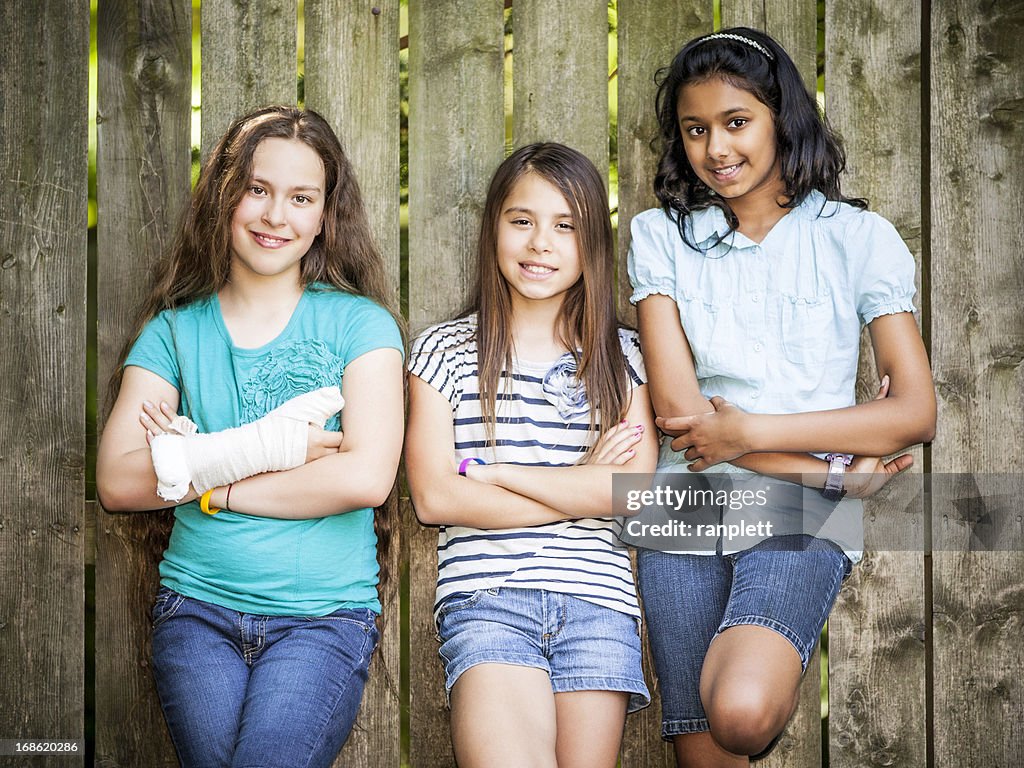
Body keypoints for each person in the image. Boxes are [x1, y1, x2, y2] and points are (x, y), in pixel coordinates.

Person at [626, 28, 936, 767]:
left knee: (738, 711)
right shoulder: (659, 237)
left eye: (737, 122)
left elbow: (914, 413)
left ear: (781, 118)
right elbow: (685, 425)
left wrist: (747, 434)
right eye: (695, 129)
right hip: (688, 510)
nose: (716, 148)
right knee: (703, 756)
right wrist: (830, 467)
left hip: (800, 517)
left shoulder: (859, 240)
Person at [96, 105, 404, 768]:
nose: (275, 216)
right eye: (257, 190)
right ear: (224, 196)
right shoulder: (174, 333)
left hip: (323, 623)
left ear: (326, 214)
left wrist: (204, 479)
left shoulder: (362, 328)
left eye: (301, 198)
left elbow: (363, 478)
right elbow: (120, 480)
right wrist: (276, 454)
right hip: (195, 612)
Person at [405, 142, 660, 768]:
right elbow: (436, 498)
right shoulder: (444, 352)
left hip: (599, 608)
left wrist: (497, 480)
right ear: (495, 227)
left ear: (593, 244)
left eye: (565, 226)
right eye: (522, 221)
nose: (540, 243)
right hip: (489, 601)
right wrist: (577, 481)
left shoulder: (624, 358)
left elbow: (630, 496)